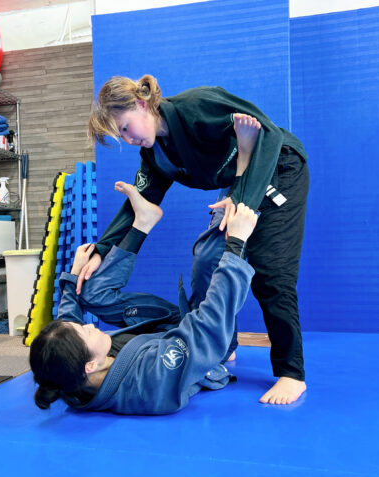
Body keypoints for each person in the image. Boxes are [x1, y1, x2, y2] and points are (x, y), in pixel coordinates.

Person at [83, 75, 310, 405]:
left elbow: (269, 135)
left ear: (141, 104)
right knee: (207, 259)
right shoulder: (155, 154)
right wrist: (102, 250)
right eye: (122, 136)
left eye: (126, 128)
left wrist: (243, 201)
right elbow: (138, 205)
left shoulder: (197, 106)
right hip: (239, 185)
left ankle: (292, 373)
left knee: (269, 272)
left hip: (279, 167)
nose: (129, 139)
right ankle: (221, 345)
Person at [29, 182, 257, 415]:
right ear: (91, 366)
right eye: (86, 332)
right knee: (207, 258)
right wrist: (237, 242)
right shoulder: (150, 380)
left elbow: (68, 323)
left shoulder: (70, 375)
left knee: (89, 293)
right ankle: (243, 185)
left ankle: (143, 222)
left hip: (166, 329)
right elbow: (208, 327)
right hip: (208, 339)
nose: (89, 326)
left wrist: (74, 274)